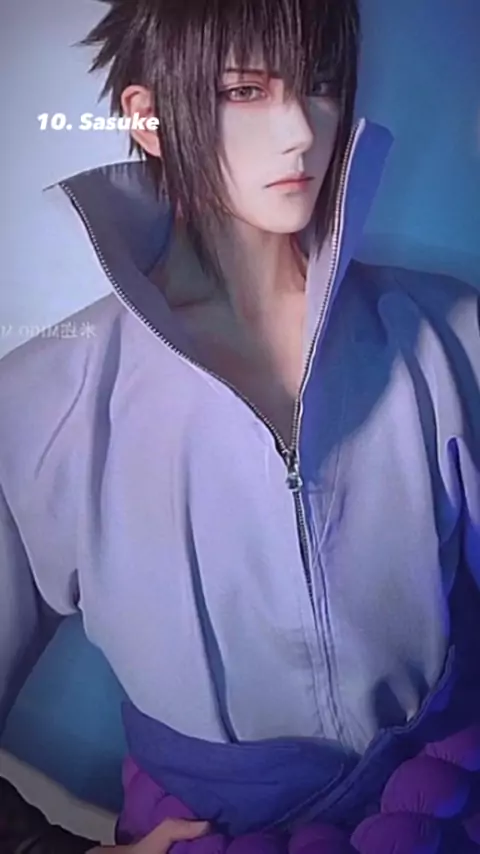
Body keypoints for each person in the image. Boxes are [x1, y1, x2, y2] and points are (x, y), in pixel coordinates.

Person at [1, 0, 480, 851]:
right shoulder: (44, 401)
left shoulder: (451, 337)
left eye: (320, 83)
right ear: (149, 119)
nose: (300, 131)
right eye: (245, 91)